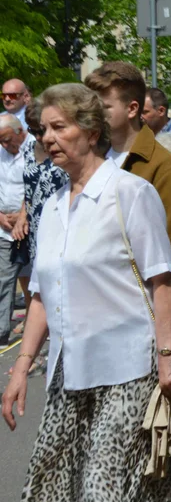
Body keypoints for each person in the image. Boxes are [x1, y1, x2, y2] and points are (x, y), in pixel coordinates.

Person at [2, 83, 171, 502]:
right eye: (43, 129)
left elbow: (162, 280)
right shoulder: (51, 208)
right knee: (49, 487)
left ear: (90, 132)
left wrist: (168, 357)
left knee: (102, 492)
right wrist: (21, 367)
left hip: (127, 368)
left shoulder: (129, 194)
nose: (47, 138)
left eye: (59, 127)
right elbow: (41, 296)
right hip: (69, 371)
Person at [85, 62, 171, 305]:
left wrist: (163, 330)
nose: (93, 115)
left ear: (132, 108)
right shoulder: (92, 159)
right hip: (94, 303)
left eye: (103, 107)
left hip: (137, 314)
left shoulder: (165, 168)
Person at [10, 101, 69, 350]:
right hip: (36, 226)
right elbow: (29, 190)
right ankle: (44, 346)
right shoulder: (28, 149)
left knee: (61, 282)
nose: (39, 136)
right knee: (40, 286)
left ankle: (63, 342)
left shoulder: (62, 149)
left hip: (61, 221)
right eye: (34, 130)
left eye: (41, 129)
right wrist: (23, 216)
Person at [0, 114, 30, 347]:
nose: (4, 145)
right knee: (5, 280)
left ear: (20, 132)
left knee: (35, 279)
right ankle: (2, 331)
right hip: (4, 228)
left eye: (7, 139)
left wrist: (22, 215)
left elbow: (35, 186)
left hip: (30, 226)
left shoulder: (33, 151)